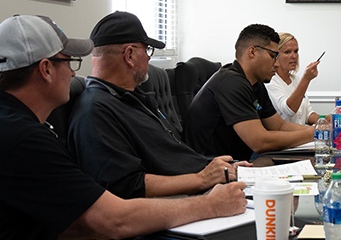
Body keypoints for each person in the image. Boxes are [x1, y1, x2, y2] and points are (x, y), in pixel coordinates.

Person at [0, 15, 246, 239]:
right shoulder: (24, 137)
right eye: (70, 62)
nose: (74, 74)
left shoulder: (24, 125)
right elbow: (110, 219)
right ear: (45, 70)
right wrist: (211, 203)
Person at [67, 11, 249, 199]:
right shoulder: (96, 111)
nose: (148, 58)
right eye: (146, 50)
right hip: (182, 203)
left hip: (203, 185)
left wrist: (218, 166)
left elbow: (170, 156)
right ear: (129, 55)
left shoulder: (132, 97)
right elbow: (126, 186)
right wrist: (202, 178)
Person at [184, 24, 314, 161]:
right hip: (207, 167)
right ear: (252, 52)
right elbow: (260, 142)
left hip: (237, 163)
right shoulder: (231, 83)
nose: (276, 64)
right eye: (272, 56)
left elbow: (279, 125)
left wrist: (320, 130)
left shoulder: (256, 84)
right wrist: (314, 133)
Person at [265, 32, 320, 125]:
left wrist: (326, 119)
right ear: (275, 55)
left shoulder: (296, 79)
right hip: (284, 137)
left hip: (301, 136)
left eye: (296, 51)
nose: (294, 56)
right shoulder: (270, 81)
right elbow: (289, 110)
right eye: (287, 52)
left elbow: (308, 114)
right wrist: (306, 80)